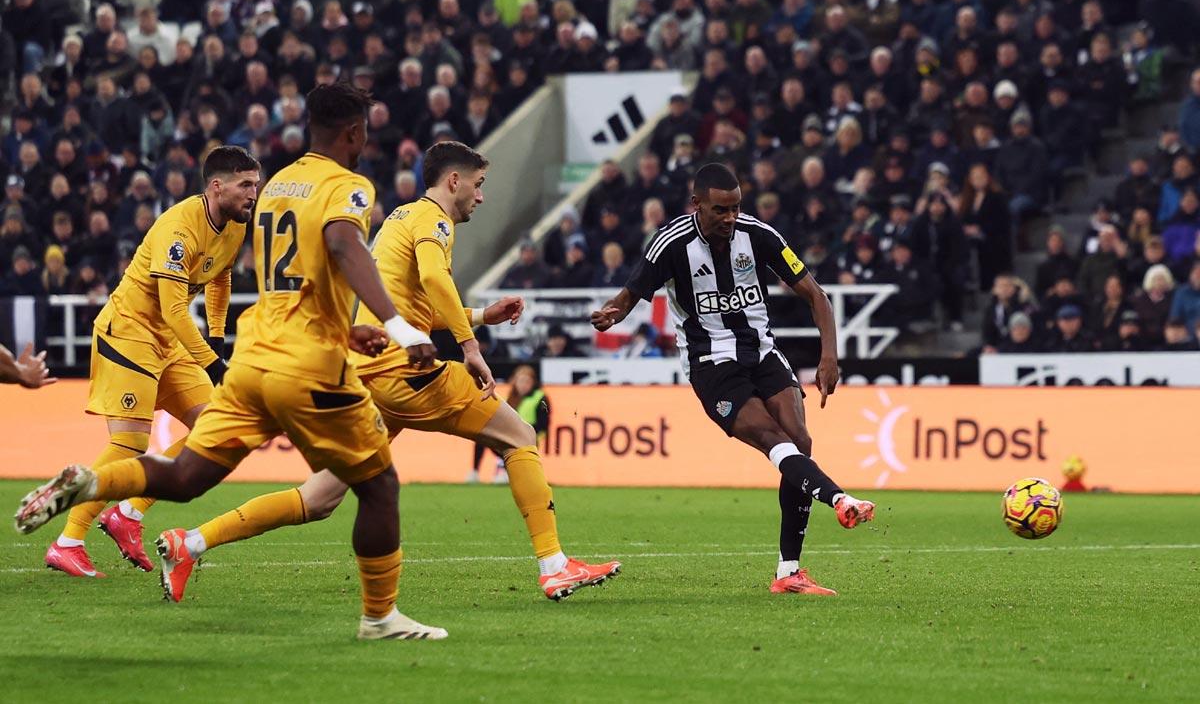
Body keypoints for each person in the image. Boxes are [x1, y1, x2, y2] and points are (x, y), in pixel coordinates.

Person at [16, 84, 445, 642]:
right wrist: (396, 322)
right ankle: (380, 618)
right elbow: (342, 245)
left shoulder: (275, 190)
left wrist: (341, 326)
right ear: (355, 132)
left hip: (253, 359)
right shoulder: (347, 185)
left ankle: (93, 484)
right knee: (379, 485)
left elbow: (287, 282)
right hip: (300, 365)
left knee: (188, 474)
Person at [136, 141, 619, 605]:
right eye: (478, 183)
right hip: (404, 372)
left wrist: (479, 316)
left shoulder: (399, 219)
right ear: (454, 181)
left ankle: (191, 542)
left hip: (366, 374)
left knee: (321, 496)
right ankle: (554, 564)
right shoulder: (434, 220)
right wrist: (470, 347)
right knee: (518, 436)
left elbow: (408, 306)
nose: (481, 194)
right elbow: (433, 278)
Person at [590, 163, 875, 596]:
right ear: (697, 205)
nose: (730, 218)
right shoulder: (670, 243)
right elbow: (631, 294)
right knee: (770, 438)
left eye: (736, 208)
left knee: (800, 442)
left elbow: (816, 295)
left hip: (762, 352)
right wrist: (614, 312)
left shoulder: (758, 234)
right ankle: (840, 499)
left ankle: (789, 573)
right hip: (711, 364)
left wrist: (829, 356)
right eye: (721, 209)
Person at [36, 146, 257, 579]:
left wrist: (216, 335)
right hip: (130, 332)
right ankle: (68, 540)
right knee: (130, 443)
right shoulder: (179, 227)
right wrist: (214, 364)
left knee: (220, 428)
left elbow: (221, 276)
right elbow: (174, 310)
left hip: (169, 342)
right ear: (217, 186)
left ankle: (128, 514)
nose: (255, 192)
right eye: (246, 184)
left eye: (256, 183)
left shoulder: (233, 225)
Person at [469, 364, 549, 484]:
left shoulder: (540, 398)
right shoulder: (509, 398)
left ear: (533, 382)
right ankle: (475, 472)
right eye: (521, 381)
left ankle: (506, 471)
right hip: (510, 434)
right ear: (515, 381)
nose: (523, 385)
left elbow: (544, 424)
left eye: (527, 381)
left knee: (506, 444)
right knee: (482, 436)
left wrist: (527, 433)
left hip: (529, 437)